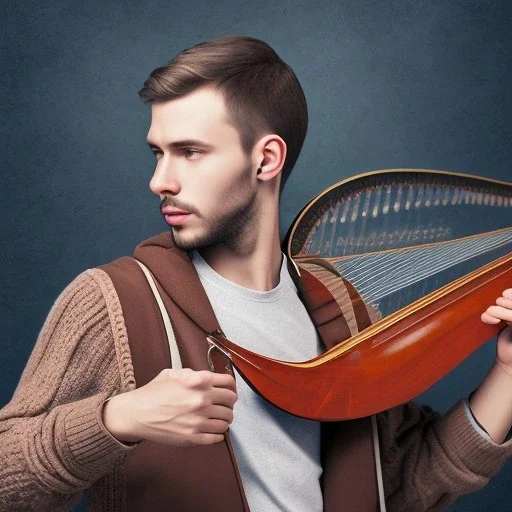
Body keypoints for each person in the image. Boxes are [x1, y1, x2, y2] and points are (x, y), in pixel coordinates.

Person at [0, 35, 511, 512]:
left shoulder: (339, 305)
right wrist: (118, 419)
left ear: (266, 159)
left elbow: (399, 485)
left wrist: (508, 373)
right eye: (158, 152)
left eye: (190, 152)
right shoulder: (111, 302)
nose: (160, 181)